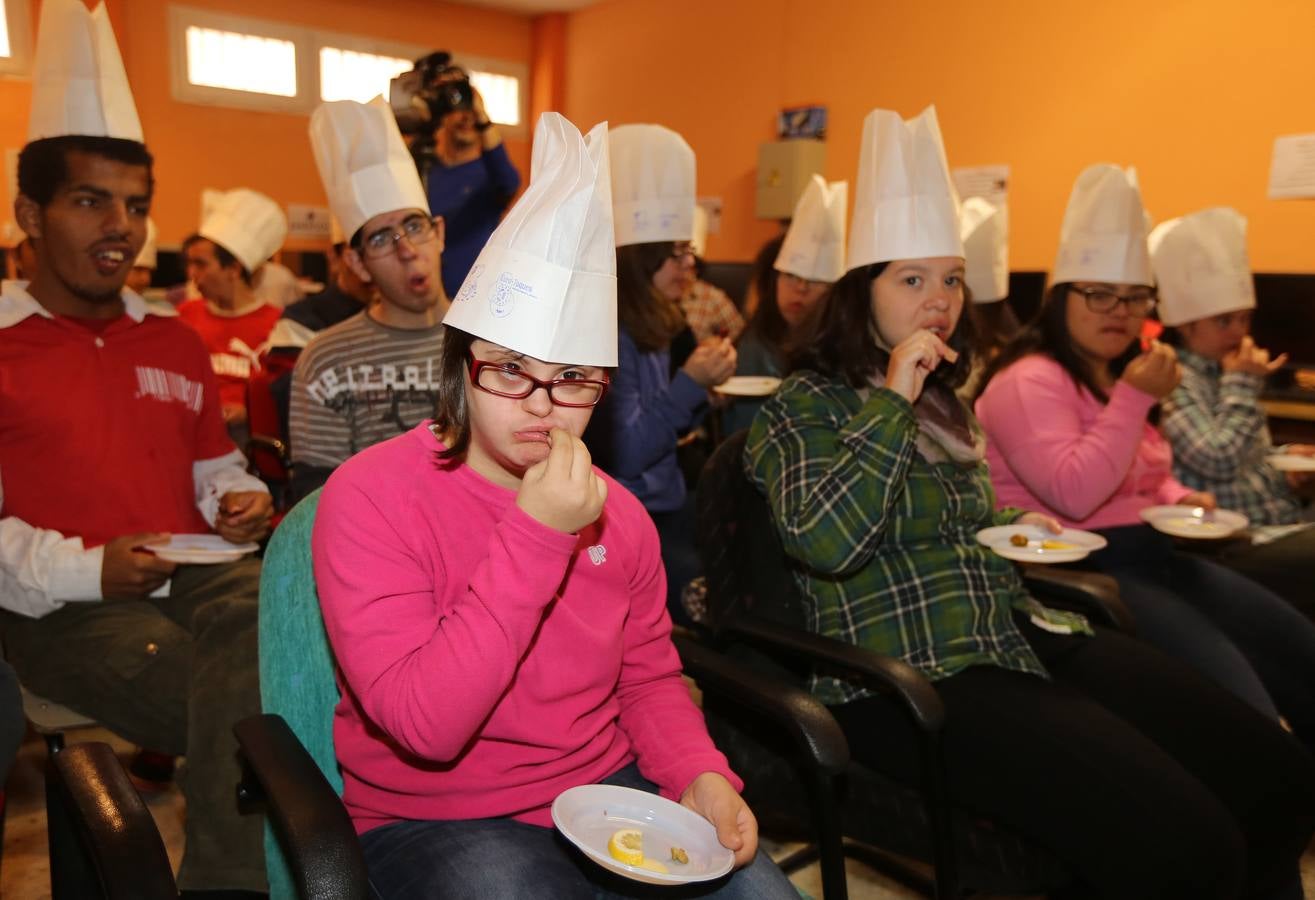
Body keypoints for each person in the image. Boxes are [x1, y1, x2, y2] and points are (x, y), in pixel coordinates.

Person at [746, 107, 1315, 900]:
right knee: (1185, 843)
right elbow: (825, 543)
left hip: (1020, 627)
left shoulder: (948, 401)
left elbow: (962, 521)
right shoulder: (802, 406)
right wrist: (891, 401)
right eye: (911, 279)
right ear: (856, 294)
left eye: (950, 278)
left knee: (1275, 776)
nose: (939, 299)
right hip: (915, 673)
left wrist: (1020, 524)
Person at [314, 112, 796, 900]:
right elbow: (426, 728)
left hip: (606, 789)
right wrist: (536, 534)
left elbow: (647, 677)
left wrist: (698, 772)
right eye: (509, 370)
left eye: (572, 378)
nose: (541, 407)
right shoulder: (370, 496)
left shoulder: (623, 517)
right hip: (439, 818)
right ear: (461, 364)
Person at [0, 1, 268, 894]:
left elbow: (210, 468)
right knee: (252, 702)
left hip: (198, 569)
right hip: (63, 606)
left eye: (137, 206)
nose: (121, 225)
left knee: (289, 624)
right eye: (90, 200)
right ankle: (235, 883)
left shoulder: (174, 341)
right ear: (28, 213)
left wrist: (241, 497)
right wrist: (89, 571)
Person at [975, 166, 1315, 748]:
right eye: (1099, 294)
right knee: (1242, 707)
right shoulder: (1028, 380)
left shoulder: (1112, 377)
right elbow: (1073, 493)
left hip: (1155, 553)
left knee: (1297, 650)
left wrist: (1183, 498)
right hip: (1076, 570)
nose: (1119, 310)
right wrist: (1135, 398)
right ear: (1061, 298)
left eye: (1135, 298)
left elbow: (1144, 479)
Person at [586, 124, 735, 621]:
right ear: (637, 260)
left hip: (665, 502)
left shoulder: (659, 324)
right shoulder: (609, 337)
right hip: (622, 519)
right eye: (674, 254)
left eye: (688, 250)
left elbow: (656, 417)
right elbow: (624, 453)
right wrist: (690, 384)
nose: (688, 265)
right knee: (705, 599)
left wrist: (699, 395)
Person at [1152, 208, 1315, 621]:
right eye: (1224, 321)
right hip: (1234, 541)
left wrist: (1283, 463)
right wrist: (1241, 383)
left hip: (1279, 522)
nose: (1238, 332)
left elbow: (1242, 453)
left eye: (1244, 319)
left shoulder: (1228, 372)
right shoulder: (1170, 378)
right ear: (1185, 325)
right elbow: (1217, 458)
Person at [286, 98, 451, 504]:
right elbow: (316, 497)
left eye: (415, 226)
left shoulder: (491, 345)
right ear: (357, 263)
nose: (408, 249)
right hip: (371, 544)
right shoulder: (327, 359)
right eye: (381, 238)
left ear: (440, 233)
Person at [724, 175, 845, 435]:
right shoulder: (755, 345)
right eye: (790, 276)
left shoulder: (846, 349)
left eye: (814, 280)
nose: (800, 289)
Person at [179, 189, 288, 444]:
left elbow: (286, 398)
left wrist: (248, 412)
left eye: (201, 264)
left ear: (233, 269)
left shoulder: (278, 326)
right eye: (190, 264)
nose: (192, 274)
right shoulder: (185, 316)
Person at [424, 75, 520, 299]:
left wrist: (482, 115)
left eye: (471, 110)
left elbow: (510, 183)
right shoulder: (426, 170)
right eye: (459, 106)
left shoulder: (488, 173)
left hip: (474, 300)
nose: (466, 117)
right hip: (429, 299)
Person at [679, 205, 745, 342]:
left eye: (690, 267)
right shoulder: (651, 297)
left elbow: (739, 334)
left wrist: (718, 345)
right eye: (678, 263)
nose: (683, 274)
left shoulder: (711, 297)